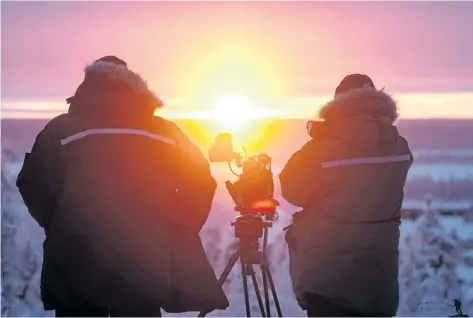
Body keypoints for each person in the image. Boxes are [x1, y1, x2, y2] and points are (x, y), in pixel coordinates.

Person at [16, 55, 229, 317]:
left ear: (88, 87)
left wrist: (61, 221)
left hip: (75, 263)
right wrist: (174, 225)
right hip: (145, 265)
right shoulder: (163, 132)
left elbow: (32, 183)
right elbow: (199, 181)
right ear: (135, 88)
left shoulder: (61, 130)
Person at [280, 74, 413, 317]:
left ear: (338, 105)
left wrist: (318, 140)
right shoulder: (400, 147)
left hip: (328, 279)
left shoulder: (322, 149)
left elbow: (292, 190)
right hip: (378, 279)